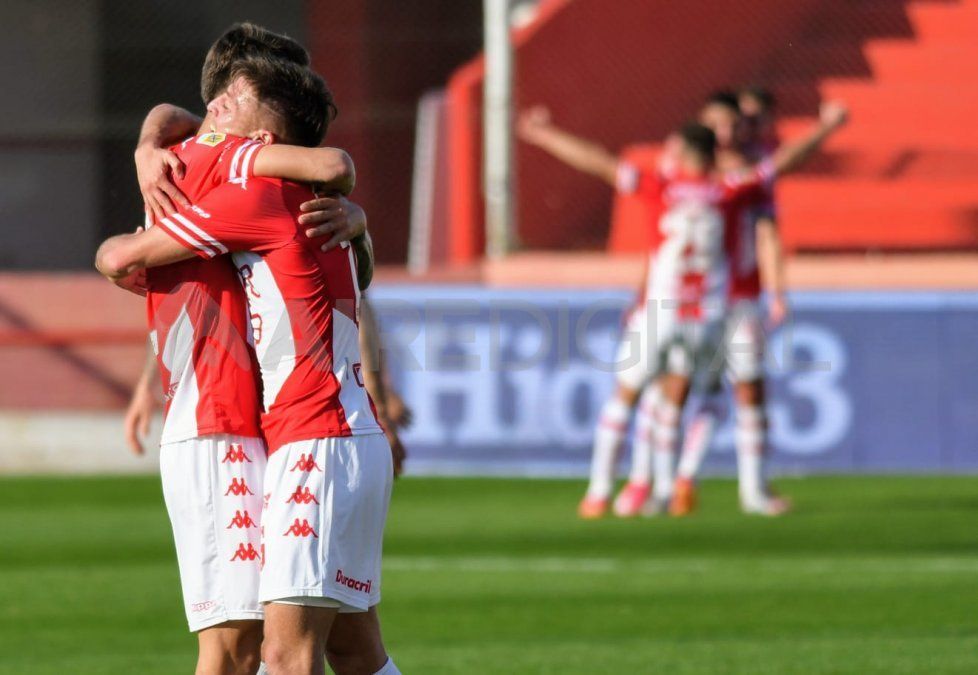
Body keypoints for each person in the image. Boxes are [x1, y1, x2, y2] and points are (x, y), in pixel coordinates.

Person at [97, 55, 399, 675]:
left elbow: (118, 256)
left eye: (229, 104)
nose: (210, 115)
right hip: (324, 435)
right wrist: (149, 139)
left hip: (313, 440)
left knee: (274, 656)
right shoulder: (303, 202)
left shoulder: (248, 184)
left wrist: (150, 153)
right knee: (348, 650)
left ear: (259, 140)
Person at [517, 100, 848, 519]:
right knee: (686, 399)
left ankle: (599, 492)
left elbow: (598, 162)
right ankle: (668, 490)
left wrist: (544, 135)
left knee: (627, 397)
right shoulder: (729, 190)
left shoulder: (659, 187)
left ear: (684, 152)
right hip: (705, 317)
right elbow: (782, 163)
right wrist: (825, 128)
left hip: (657, 313)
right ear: (713, 155)